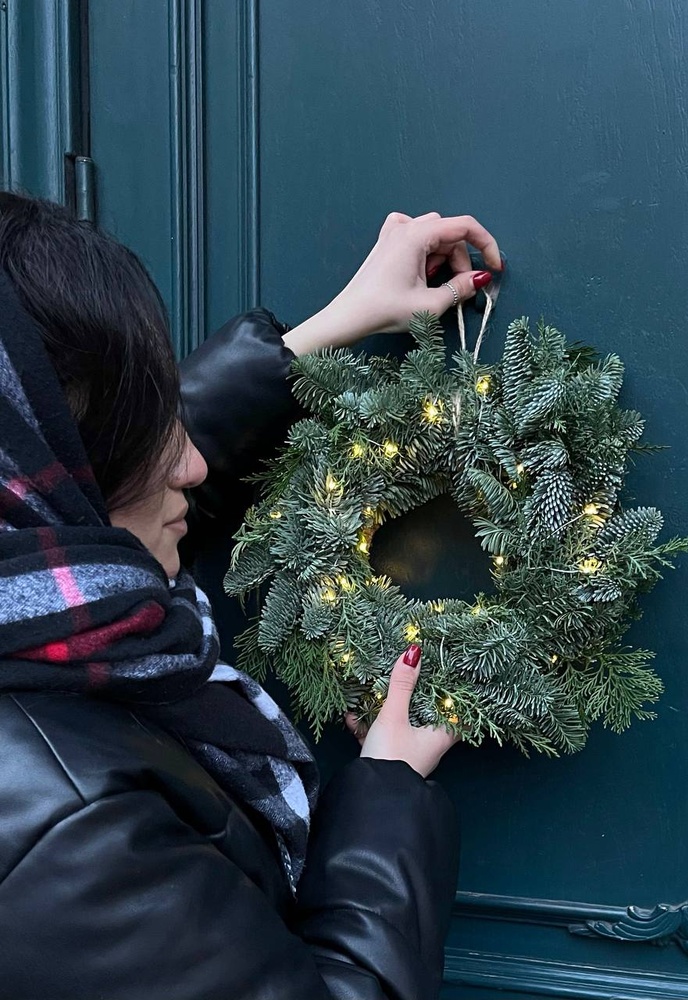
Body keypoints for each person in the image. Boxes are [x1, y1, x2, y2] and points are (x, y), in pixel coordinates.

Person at [0, 192, 502, 1000]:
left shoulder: (36, 585)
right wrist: (385, 791)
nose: (191, 468)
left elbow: (105, 499)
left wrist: (327, 330)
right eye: (143, 435)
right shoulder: (67, 830)